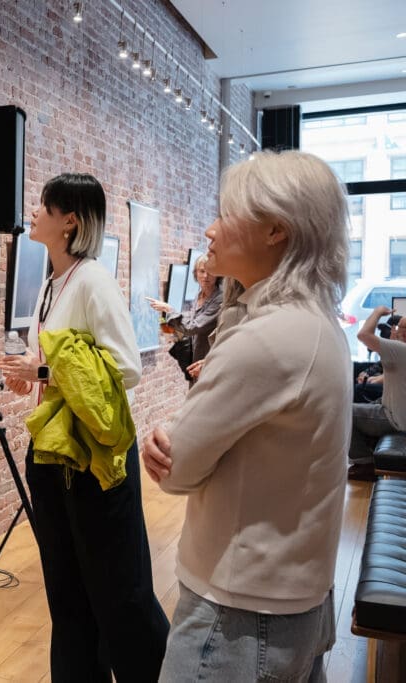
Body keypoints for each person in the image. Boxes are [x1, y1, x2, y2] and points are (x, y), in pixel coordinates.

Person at [141, 150, 350, 681]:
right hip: (288, 596)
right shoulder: (314, 322)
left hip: (237, 614)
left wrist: (167, 438)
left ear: (276, 229)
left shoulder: (268, 337)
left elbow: (177, 468)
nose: (210, 230)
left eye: (226, 214)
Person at [0, 173, 168, 681]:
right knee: (68, 596)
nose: (33, 212)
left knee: (120, 594)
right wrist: (33, 378)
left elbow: (126, 367)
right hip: (54, 455)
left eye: (43, 206)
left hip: (95, 462)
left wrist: (43, 372)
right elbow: (58, 366)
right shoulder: (51, 283)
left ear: (69, 220)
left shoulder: (93, 280)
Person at [347, 307, 406, 480]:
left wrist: (378, 312)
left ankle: (364, 463)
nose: (397, 330)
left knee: (345, 411)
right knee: (367, 402)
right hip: (397, 413)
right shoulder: (399, 350)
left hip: (396, 420)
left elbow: (363, 335)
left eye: (401, 328)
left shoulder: (401, 350)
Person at [146, 255, 222, 381]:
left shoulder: (219, 299)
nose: (206, 276)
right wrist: (173, 332)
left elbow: (192, 327)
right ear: (196, 273)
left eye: (210, 272)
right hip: (194, 357)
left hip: (209, 359)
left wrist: (169, 309)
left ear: (218, 275)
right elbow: (189, 322)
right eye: (202, 271)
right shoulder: (199, 295)